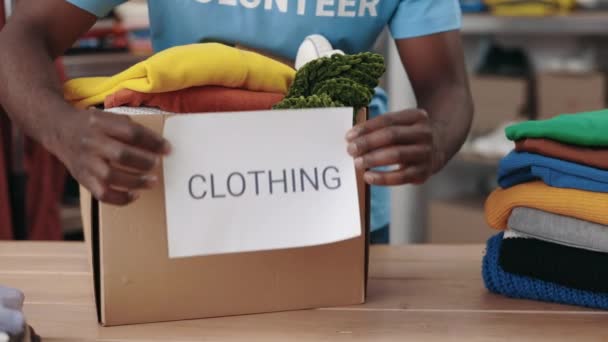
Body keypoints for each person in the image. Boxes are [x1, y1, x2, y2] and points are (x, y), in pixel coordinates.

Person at [0, 0, 473, 244]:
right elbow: (21, 36)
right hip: (179, 194)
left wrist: (433, 140)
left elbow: (447, 90)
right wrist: (64, 130)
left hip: (338, 203)